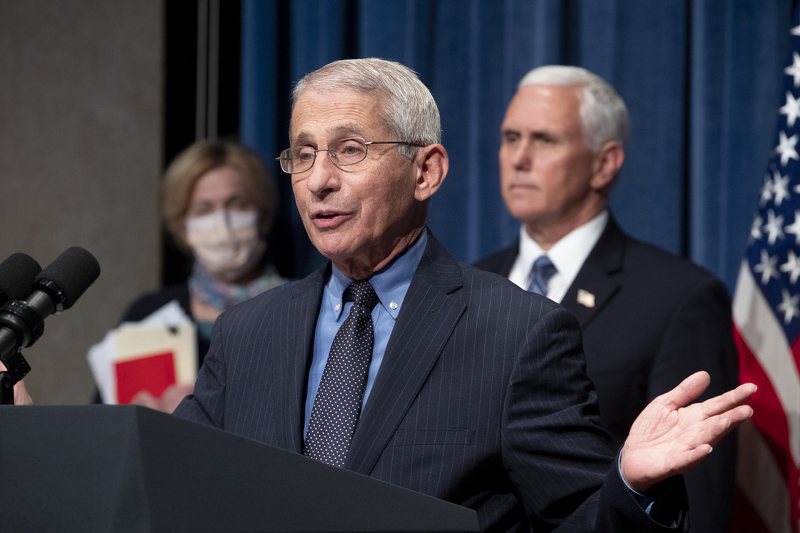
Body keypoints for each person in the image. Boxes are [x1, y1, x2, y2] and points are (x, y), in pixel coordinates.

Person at [168, 58, 754, 532]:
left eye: (350, 150)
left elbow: (574, 518)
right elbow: (175, 489)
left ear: (426, 172)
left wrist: (630, 483)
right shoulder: (246, 332)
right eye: (303, 154)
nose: (319, 178)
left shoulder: (516, 333)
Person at [475, 66, 739, 533]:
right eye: (510, 137)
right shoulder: (470, 282)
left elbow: (696, 501)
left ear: (605, 163)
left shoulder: (679, 297)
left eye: (545, 140)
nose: (519, 157)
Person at [111, 140, 288, 411]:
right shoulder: (147, 316)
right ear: (183, 228)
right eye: (204, 209)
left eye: (237, 204)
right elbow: (108, 425)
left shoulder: (298, 309)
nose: (222, 222)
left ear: (262, 215)